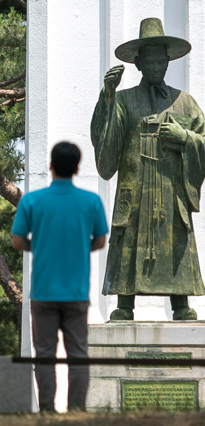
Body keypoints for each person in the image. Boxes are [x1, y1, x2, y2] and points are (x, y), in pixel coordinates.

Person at [91, 18, 205, 321]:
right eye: (150, 61)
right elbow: (104, 139)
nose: (157, 67)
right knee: (130, 237)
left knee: (175, 239)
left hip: (171, 188)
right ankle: (124, 304)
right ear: (138, 63)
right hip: (135, 187)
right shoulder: (123, 100)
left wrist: (184, 137)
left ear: (168, 62)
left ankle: (181, 304)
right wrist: (107, 96)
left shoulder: (184, 103)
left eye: (162, 61)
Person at [12, 141, 108, 412]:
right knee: (78, 354)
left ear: (51, 165)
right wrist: (81, 247)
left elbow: (18, 241)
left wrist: (39, 245)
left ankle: (46, 411)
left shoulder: (32, 201)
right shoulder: (91, 201)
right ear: (77, 168)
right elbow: (100, 240)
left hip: (43, 292)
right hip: (76, 292)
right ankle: (77, 410)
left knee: (44, 355)